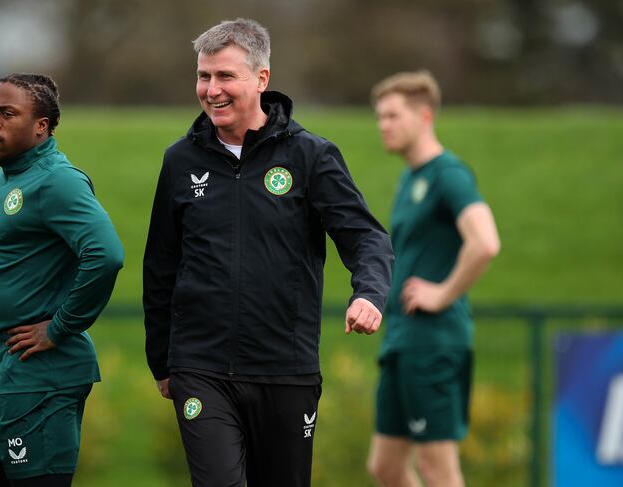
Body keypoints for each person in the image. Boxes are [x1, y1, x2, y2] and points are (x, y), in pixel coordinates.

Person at [143, 18, 393, 487]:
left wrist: (370, 293)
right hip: (202, 368)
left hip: (285, 368)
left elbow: (365, 236)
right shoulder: (180, 161)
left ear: (261, 79)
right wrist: (163, 359)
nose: (211, 89)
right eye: (203, 76)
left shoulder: (310, 156)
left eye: (224, 76)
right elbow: (160, 265)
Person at [0, 73, 124, 487]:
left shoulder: (58, 180)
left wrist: (60, 328)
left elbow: (105, 255)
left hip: (39, 382)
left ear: (42, 126)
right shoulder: (7, 179)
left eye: (7, 113)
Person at [366, 71, 501, 487]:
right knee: (385, 468)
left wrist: (442, 294)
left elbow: (485, 242)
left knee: (437, 469)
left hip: (433, 342)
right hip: (402, 341)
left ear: (424, 116)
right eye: (380, 117)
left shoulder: (448, 174)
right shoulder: (410, 178)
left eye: (392, 116)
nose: (383, 125)